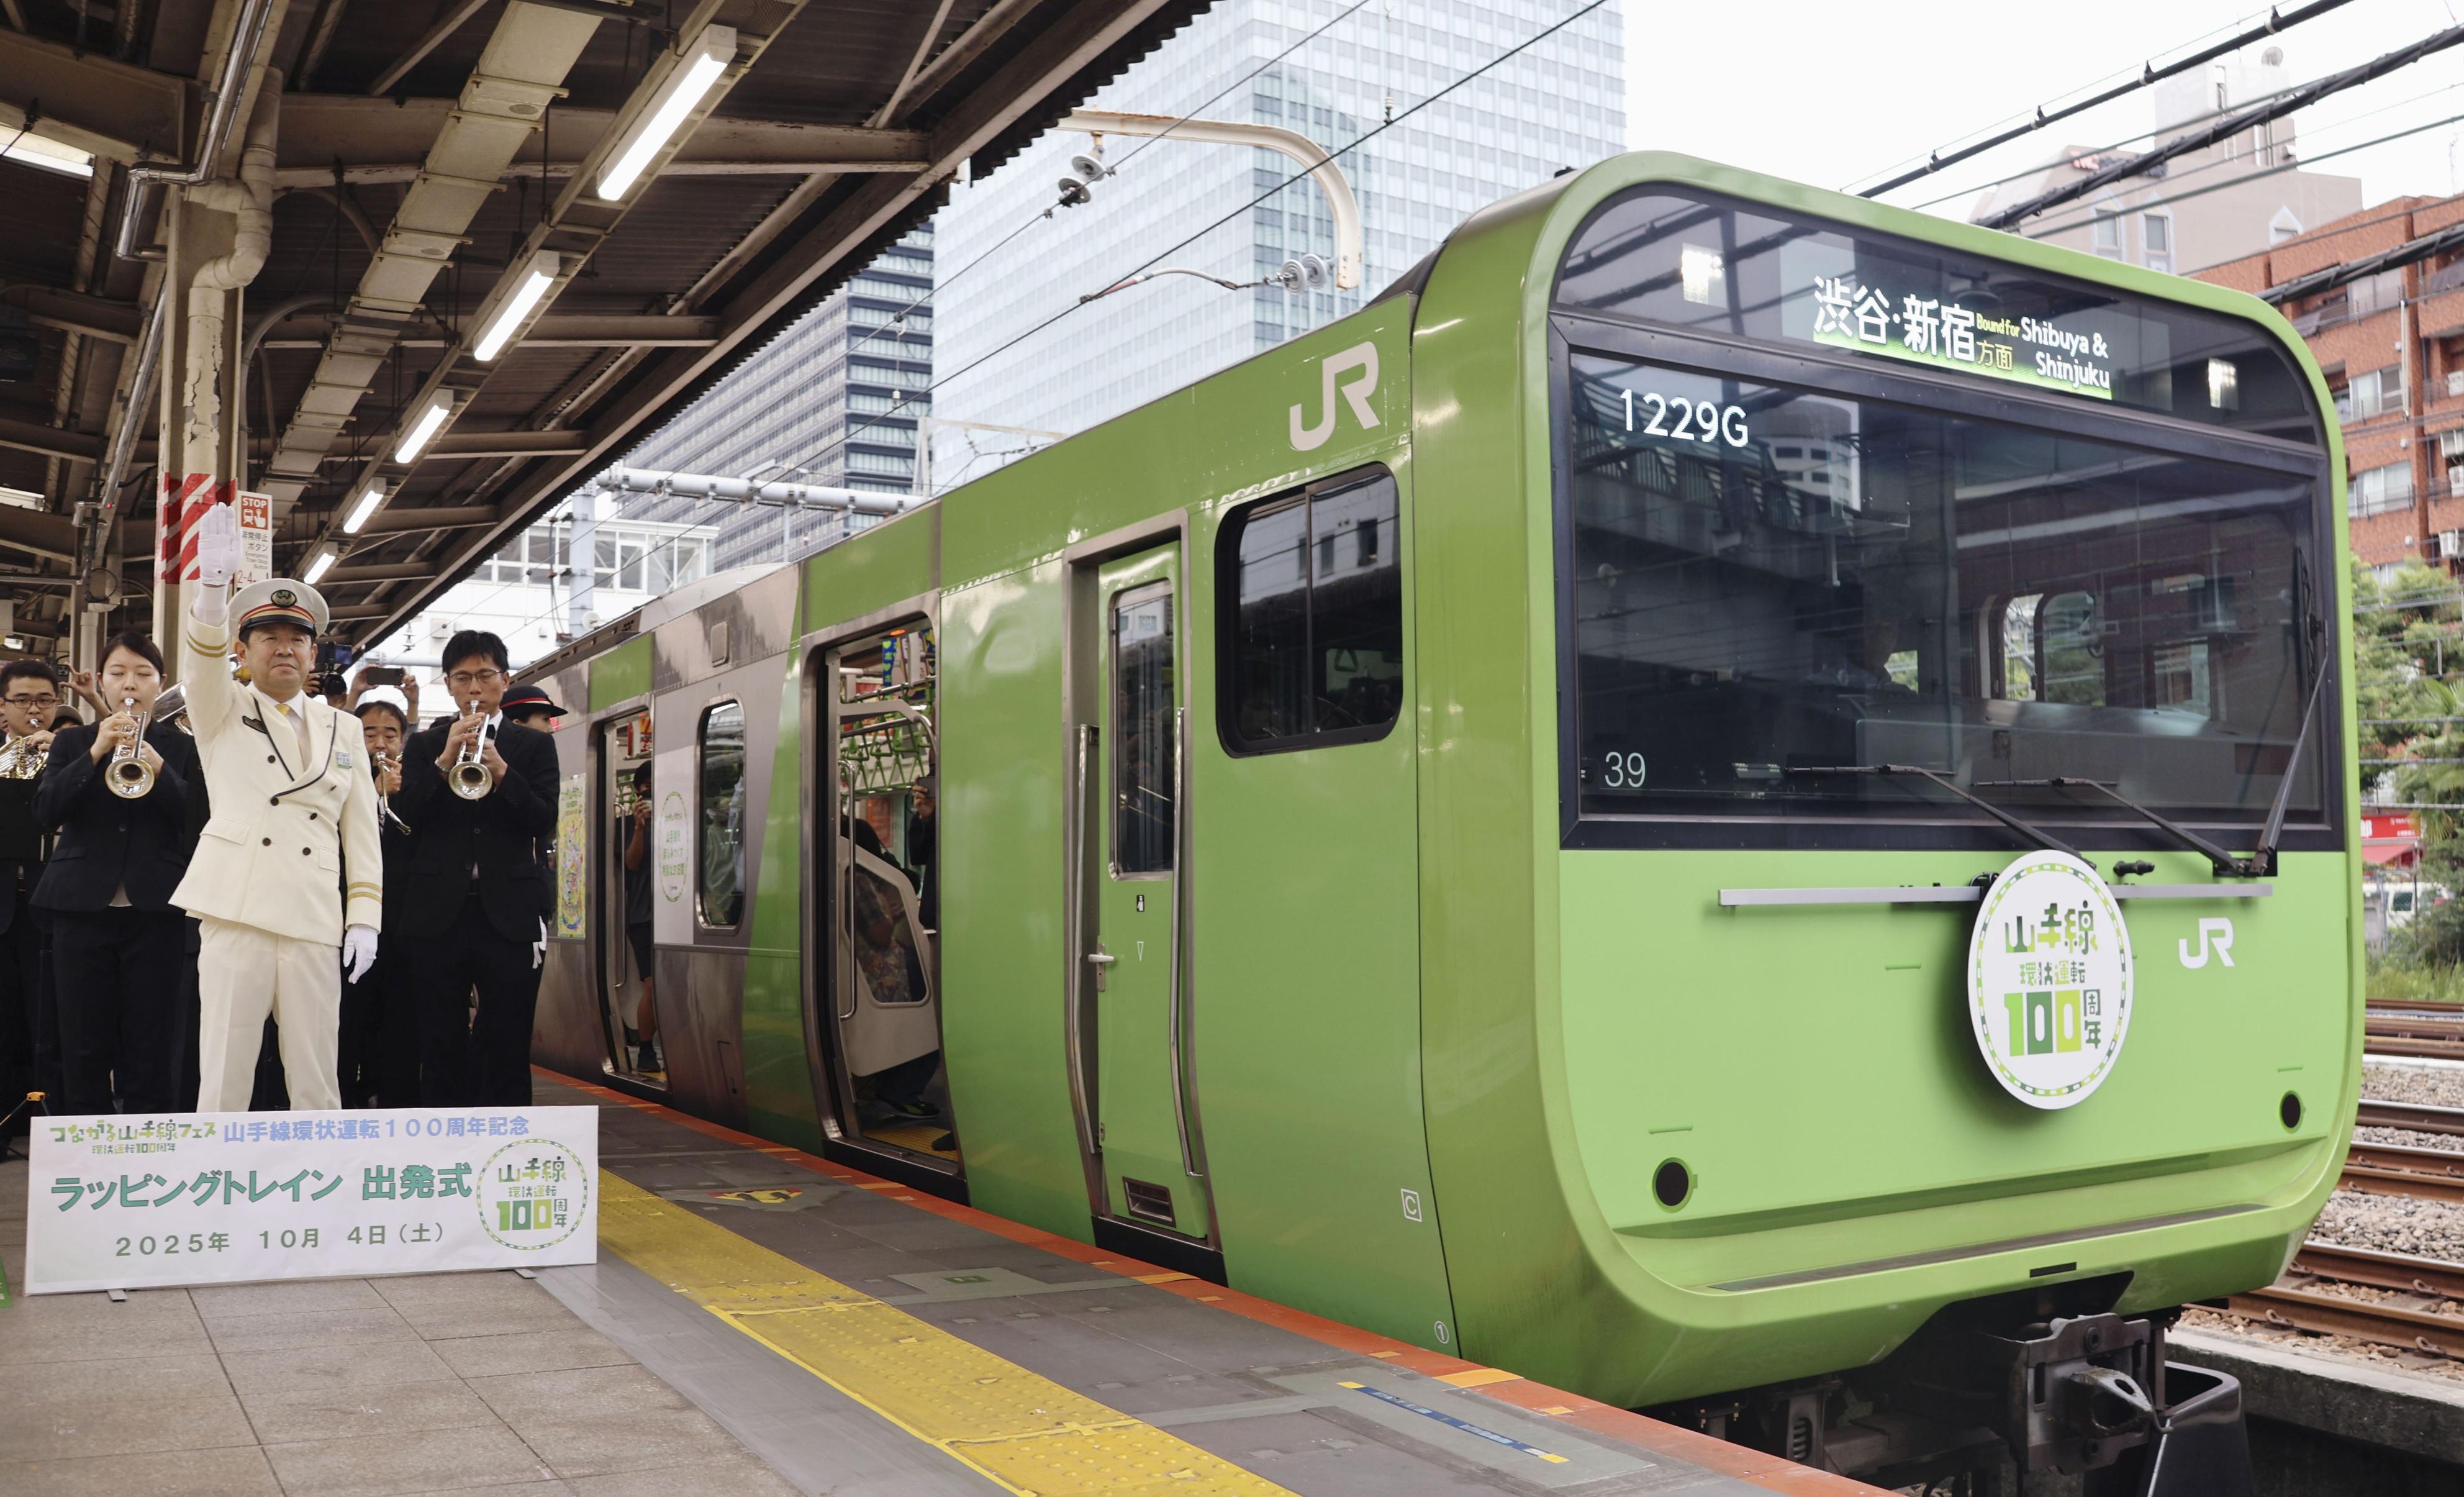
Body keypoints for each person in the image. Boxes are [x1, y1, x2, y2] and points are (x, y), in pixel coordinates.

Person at [179, 505, 384, 1111]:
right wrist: (212, 594)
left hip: (314, 914)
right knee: (223, 1077)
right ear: (244, 651)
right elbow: (201, 668)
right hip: (237, 911)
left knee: (319, 1078)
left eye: (298, 638)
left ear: (315, 654)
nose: (285, 648)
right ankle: (213, 1191)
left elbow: (360, 833)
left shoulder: (343, 728)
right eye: (268, 636)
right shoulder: (223, 709)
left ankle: (320, 1199)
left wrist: (365, 916)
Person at [33, 633, 200, 1114]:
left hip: (160, 909)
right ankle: (86, 1151)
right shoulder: (71, 741)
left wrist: (158, 765)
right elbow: (46, 810)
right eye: (119, 673)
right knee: (83, 1039)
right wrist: (96, 751)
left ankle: (149, 1146)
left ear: (161, 684)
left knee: (153, 1040)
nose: (131, 684)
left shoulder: (185, 748)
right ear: (102, 682)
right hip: (81, 907)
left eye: (143, 674)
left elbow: (198, 821)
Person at [394, 630, 558, 1106]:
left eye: (485, 676)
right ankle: (443, 1153)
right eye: (463, 677)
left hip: (507, 915)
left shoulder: (532, 746)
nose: (474, 688)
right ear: (447, 685)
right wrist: (446, 762)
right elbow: (406, 818)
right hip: (436, 914)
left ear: (505, 681)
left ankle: (507, 1146)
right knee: (439, 1041)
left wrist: (503, 772)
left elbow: (543, 817)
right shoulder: (426, 745)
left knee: (508, 1041)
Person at [338, 700, 418, 1107]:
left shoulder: (415, 784)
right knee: (347, 1019)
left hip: (403, 923)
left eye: (390, 734)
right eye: (370, 734)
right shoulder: (338, 777)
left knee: (399, 1020)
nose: (380, 743)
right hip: (349, 923)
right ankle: (345, 1101)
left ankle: (395, 1103)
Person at [0, 660, 57, 1141]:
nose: (33, 710)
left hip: (51, 904)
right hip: (3, 905)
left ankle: (49, 1125)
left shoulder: (73, 755)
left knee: (51, 1018)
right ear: (3, 708)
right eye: (22, 700)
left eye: (44, 700)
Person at [622, 763, 659, 1075]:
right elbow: (632, 864)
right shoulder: (629, 822)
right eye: (645, 786)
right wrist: (639, 827)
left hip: (676, 912)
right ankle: (646, 1050)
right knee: (652, 985)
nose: (650, 791)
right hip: (643, 915)